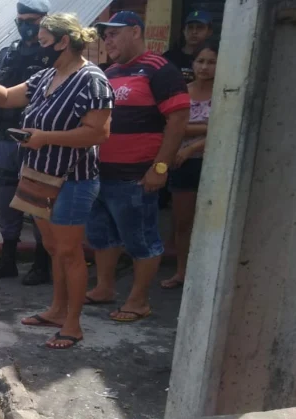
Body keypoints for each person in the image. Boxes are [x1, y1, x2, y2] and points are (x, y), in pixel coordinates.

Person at [0, 13, 113, 349]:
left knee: (68, 251)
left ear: (64, 42)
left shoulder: (92, 79)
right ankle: (57, 310)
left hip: (72, 178)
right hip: (37, 174)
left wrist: (45, 137)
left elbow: (98, 133)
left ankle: (73, 325)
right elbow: (3, 97)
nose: (38, 46)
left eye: (45, 42)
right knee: (52, 248)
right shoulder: (46, 76)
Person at [85, 12, 190, 322]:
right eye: (105, 35)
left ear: (135, 31)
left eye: (114, 34)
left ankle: (139, 300)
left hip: (136, 176)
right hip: (100, 174)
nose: (107, 40)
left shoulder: (159, 69)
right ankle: (105, 288)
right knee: (102, 237)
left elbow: (179, 118)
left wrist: (160, 167)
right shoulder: (110, 72)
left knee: (141, 240)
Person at [0, 0, 54, 283]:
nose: (26, 27)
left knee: (38, 202)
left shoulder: (56, 54)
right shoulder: (7, 55)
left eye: (33, 21)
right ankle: (7, 261)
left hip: (38, 142)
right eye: (22, 20)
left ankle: (42, 264)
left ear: (44, 21)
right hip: (5, 140)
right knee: (6, 203)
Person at [161, 40, 217, 290]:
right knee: (183, 223)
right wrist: (209, 127)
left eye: (211, 62)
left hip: (214, 165)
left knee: (213, 224)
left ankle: (209, 276)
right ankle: (182, 272)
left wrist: (191, 145)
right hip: (183, 165)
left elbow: (229, 128)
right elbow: (170, 127)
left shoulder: (228, 93)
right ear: (192, 64)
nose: (205, 67)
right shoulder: (182, 92)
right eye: (200, 61)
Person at [163, 11, 213, 84]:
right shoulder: (169, 58)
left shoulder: (213, 60)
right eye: (190, 27)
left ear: (209, 32)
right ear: (184, 31)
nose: (194, 32)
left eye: (200, 27)